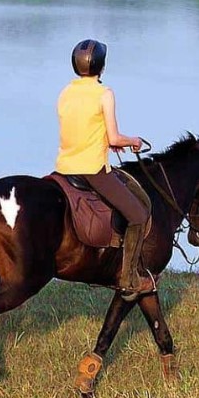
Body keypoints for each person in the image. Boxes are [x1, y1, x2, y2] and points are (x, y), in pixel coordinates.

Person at [56, 39, 155, 298]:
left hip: (64, 167)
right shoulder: (104, 93)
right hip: (92, 169)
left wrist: (104, 141)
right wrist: (132, 141)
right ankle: (129, 277)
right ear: (101, 65)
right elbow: (113, 137)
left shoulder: (66, 91)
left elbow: (80, 128)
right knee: (138, 214)